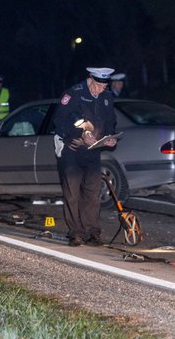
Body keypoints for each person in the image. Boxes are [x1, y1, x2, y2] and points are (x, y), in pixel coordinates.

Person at [53, 67, 118, 247]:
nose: (100, 90)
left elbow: (110, 121)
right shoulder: (74, 94)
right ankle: (75, 233)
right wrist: (80, 134)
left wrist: (110, 138)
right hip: (72, 149)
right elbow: (60, 121)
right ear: (90, 78)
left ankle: (92, 233)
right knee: (72, 193)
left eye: (104, 87)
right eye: (97, 86)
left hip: (93, 150)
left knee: (92, 193)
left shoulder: (107, 97)